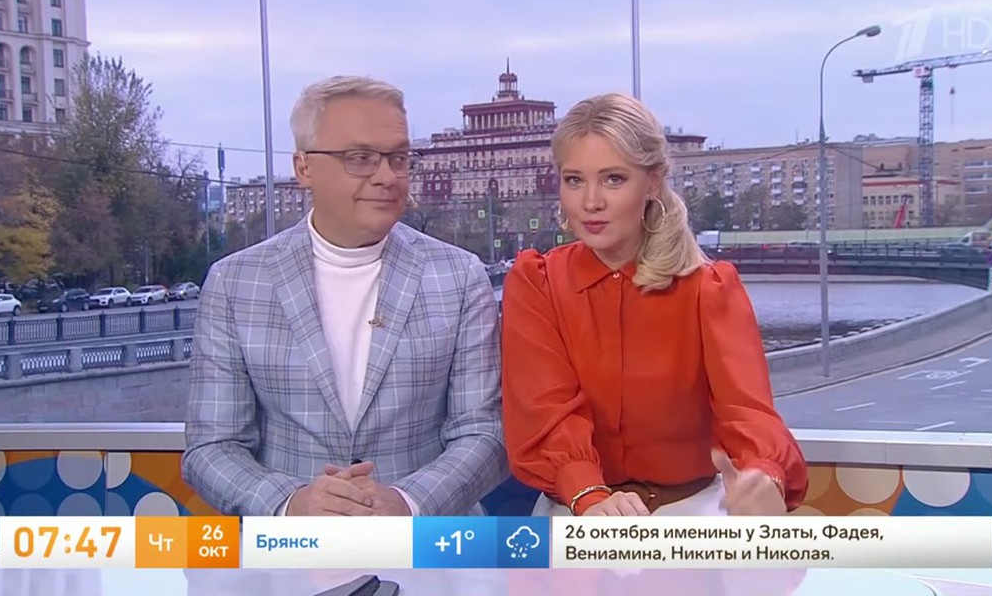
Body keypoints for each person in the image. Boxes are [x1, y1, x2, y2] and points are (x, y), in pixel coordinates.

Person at [183, 75, 507, 517]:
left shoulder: (460, 276)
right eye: (360, 158)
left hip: (432, 542)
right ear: (304, 168)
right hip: (294, 549)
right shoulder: (235, 283)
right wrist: (290, 504)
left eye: (399, 158)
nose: (387, 177)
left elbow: (485, 433)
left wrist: (408, 502)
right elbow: (212, 447)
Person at [501, 92, 808, 517]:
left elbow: (747, 411)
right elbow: (543, 409)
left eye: (613, 179)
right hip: (576, 513)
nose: (590, 201)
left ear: (654, 182)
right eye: (574, 180)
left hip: (693, 515)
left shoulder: (708, 289)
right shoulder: (537, 284)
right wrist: (589, 497)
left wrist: (764, 473)